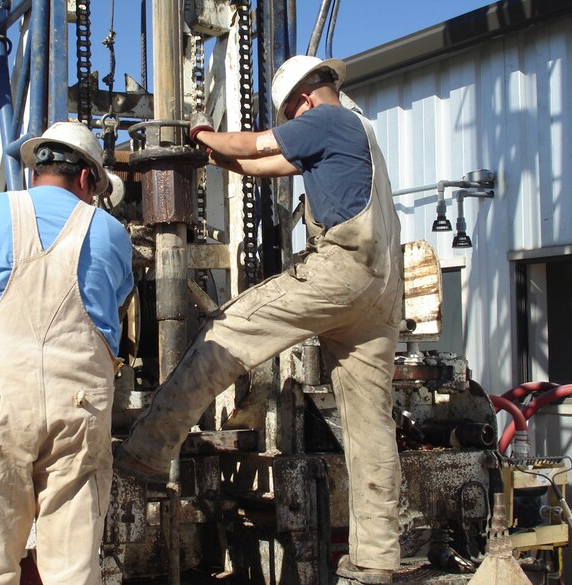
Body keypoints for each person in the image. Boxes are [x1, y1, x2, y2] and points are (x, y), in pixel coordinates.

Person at [114, 56, 403, 585]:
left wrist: (204, 130)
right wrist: (213, 155)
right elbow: (254, 164)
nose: (292, 123)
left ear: (306, 101)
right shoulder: (360, 135)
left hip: (339, 273)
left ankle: (148, 453)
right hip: (381, 296)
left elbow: (249, 145)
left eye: (291, 114)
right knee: (369, 426)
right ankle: (377, 558)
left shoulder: (327, 118)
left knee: (225, 334)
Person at [0, 121, 134, 585]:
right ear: (87, 179)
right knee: (73, 566)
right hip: (79, 405)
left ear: (35, 171)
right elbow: (112, 307)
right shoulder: (112, 232)